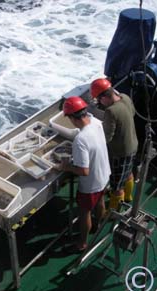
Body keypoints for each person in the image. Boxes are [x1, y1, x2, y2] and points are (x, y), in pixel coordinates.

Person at [58, 96, 111, 252]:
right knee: (100, 201)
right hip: (104, 174)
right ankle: (98, 224)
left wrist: (66, 167)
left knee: (84, 213)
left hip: (91, 183)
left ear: (73, 118)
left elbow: (84, 171)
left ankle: (82, 243)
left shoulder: (80, 139)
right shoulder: (95, 122)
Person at [90, 78, 138, 211]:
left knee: (117, 187)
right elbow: (132, 113)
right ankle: (128, 197)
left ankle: (112, 213)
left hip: (121, 152)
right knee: (128, 173)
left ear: (104, 97)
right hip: (133, 145)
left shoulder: (111, 111)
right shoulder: (125, 97)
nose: (100, 103)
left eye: (99, 100)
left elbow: (106, 137)